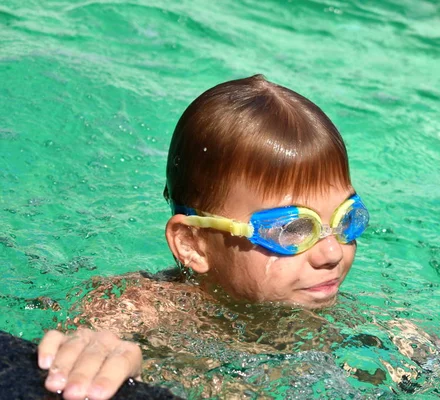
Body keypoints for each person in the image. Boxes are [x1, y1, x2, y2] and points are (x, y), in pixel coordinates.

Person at [38, 75, 373, 399]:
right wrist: (97, 352)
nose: (331, 253)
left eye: (347, 220)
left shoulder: (333, 314)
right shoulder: (141, 307)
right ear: (192, 244)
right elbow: (91, 337)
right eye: (292, 229)